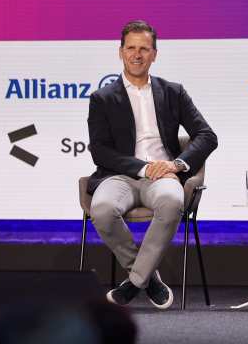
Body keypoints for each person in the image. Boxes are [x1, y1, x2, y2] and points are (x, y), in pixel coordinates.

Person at [87, 20, 217, 309]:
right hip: (119, 175)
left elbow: (207, 136)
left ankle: (134, 282)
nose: (137, 54)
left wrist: (178, 165)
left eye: (144, 49)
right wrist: (142, 168)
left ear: (154, 54)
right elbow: (100, 151)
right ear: (120, 52)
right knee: (102, 209)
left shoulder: (173, 91)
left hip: (164, 175)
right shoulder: (102, 98)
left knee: (172, 202)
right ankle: (148, 277)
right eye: (131, 48)